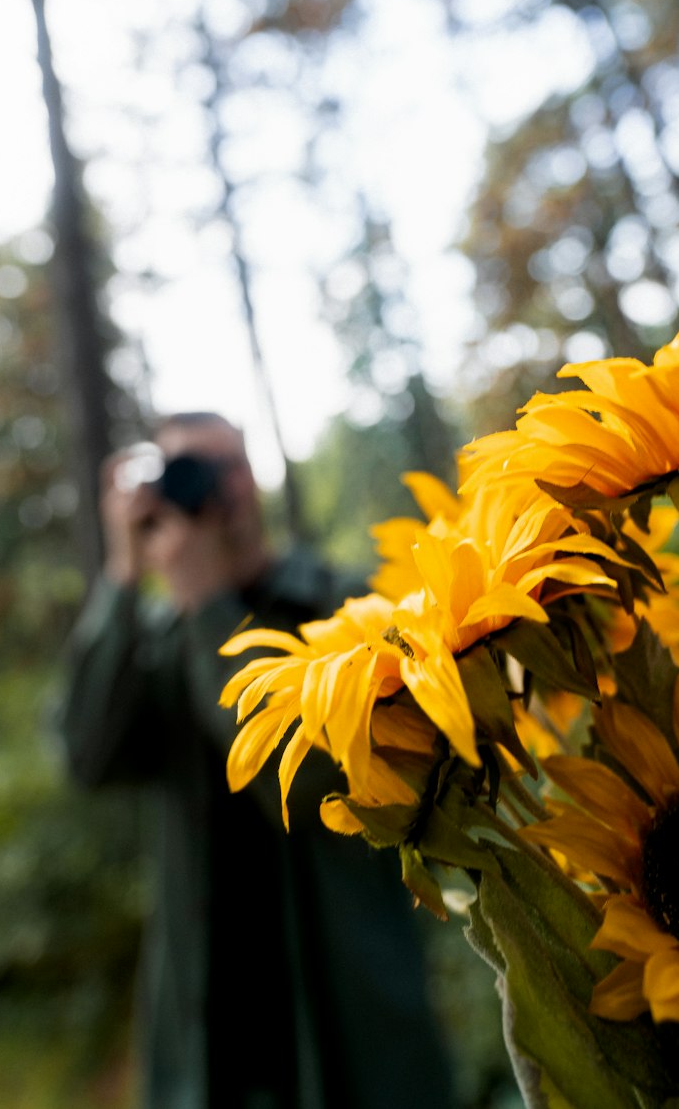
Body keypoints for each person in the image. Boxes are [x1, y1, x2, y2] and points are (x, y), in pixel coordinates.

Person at [57, 411, 456, 1109]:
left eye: (227, 465)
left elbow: (309, 792)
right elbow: (87, 758)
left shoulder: (344, 606)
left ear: (255, 479)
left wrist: (208, 605)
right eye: (187, 472)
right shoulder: (154, 641)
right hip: (212, 1026)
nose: (215, 488)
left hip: (352, 1016)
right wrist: (122, 579)